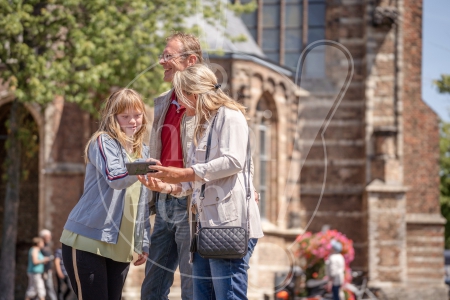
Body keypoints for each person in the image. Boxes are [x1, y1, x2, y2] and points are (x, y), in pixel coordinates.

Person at [139, 63, 264, 299]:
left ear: (193, 95)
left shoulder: (230, 116)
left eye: (180, 97)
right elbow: (197, 181)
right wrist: (166, 185)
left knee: (228, 296)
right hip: (204, 229)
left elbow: (233, 161)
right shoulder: (203, 125)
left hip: (228, 225)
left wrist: (184, 173)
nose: (177, 105)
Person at [60, 88, 151, 300]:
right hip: (86, 241)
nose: (133, 121)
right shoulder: (103, 141)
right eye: (125, 116)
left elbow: (142, 202)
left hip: (121, 247)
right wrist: (143, 166)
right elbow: (116, 177)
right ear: (113, 118)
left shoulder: (143, 152)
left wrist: (143, 241)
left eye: (137, 115)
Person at [140, 32, 204, 300]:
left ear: (191, 60)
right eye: (162, 55)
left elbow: (232, 149)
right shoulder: (163, 102)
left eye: (168, 56)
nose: (162, 62)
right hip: (164, 199)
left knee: (192, 289)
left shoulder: (207, 102)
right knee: (152, 289)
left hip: (191, 203)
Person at [39, 229, 57, 300]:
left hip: (48, 270)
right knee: (40, 288)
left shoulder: (47, 245)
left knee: (49, 287)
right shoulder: (40, 246)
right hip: (42, 270)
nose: (49, 238)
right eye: (48, 237)